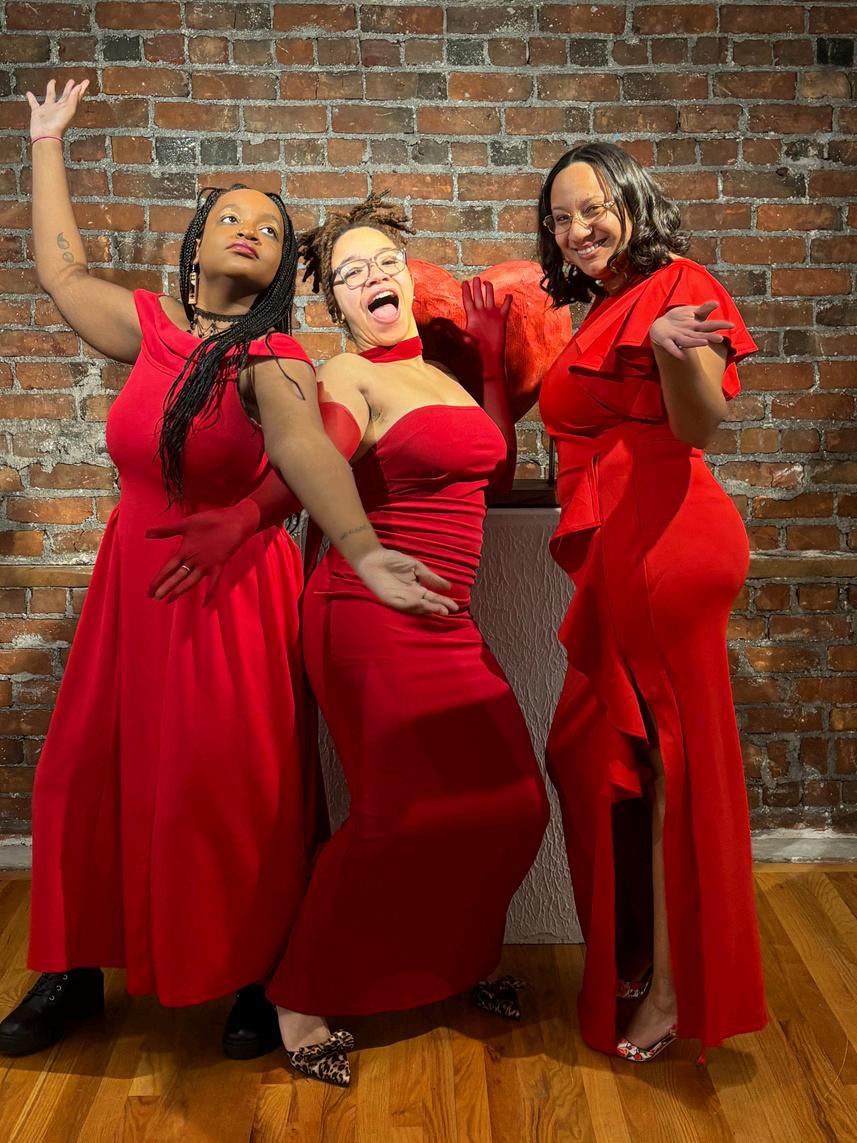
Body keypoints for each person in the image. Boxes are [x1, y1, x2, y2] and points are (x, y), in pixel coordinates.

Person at [0, 80, 453, 1061]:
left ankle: (259, 971)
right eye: (231, 216)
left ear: (281, 265)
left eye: (270, 226)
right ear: (197, 242)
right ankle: (74, 971)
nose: (249, 228)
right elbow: (61, 269)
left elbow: (307, 454)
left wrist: (363, 549)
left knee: (228, 790)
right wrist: (45, 142)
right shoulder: (149, 329)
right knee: (82, 775)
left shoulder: (274, 358)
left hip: (229, 597)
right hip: (132, 590)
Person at [263, 195, 550, 1087]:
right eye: (349, 273)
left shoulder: (442, 376)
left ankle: (454, 962)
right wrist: (236, 521)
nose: (371, 277)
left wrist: (492, 362)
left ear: (408, 276)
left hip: (447, 621)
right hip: (364, 612)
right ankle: (298, 998)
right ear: (337, 305)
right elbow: (307, 466)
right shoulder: (346, 377)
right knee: (394, 815)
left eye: (382, 260)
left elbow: (490, 469)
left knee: (515, 805)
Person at [537, 142, 767, 1061]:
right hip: (626, 540)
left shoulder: (678, 284)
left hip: (667, 536)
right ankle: (640, 957)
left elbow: (699, 421)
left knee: (676, 766)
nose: (578, 228)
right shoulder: (602, 304)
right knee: (590, 751)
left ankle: (674, 991)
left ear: (631, 201)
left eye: (593, 206)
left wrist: (673, 351)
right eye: (560, 217)